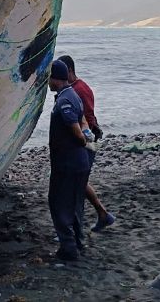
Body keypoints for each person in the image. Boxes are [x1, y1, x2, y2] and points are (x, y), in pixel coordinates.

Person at [57, 55, 115, 233]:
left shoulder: (79, 90)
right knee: (79, 184)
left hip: (83, 144)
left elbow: (86, 116)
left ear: (70, 72)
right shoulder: (75, 89)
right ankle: (102, 214)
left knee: (76, 186)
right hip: (83, 142)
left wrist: (82, 140)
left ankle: (79, 227)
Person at [47, 59, 92, 261]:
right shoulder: (73, 94)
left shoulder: (64, 100)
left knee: (58, 204)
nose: (47, 82)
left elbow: (75, 128)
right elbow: (83, 122)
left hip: (67, 163)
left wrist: (82, 140)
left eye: (48, 77)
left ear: (55, 79)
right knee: (75, 204)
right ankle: (79, 242)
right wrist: (86, 135)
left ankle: (68, 248)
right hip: (78, 163)